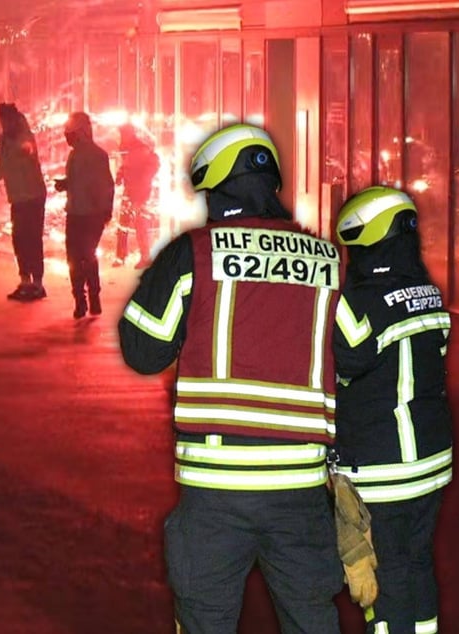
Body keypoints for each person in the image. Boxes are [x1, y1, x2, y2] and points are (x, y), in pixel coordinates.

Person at [118, 123, 345, 633]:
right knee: (312, 620)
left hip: (215, 490)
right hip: (300, 486)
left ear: (220, 187)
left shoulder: (195, 254)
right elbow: (356, 358)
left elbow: (143, 351)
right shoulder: (330, 259)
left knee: (206, 620)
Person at [333, 186, 453, 634]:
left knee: (385, 577)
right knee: (418, 563)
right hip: (433, 464)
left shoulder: (357, 303)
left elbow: (343, 365)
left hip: (385, 471)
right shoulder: (431, 296)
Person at [0, 103, 47, 301]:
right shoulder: (5, 140)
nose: (3, 123)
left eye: (5, 120)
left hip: (33, 195)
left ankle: (37, 283)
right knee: (19, 239)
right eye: (2, 120)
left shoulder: (24, 136)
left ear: (13, 119)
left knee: (32, 239)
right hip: (18, 197)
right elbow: (2, 168)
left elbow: (28, 150)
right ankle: (25, 281)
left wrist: (24, 150)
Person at [54, 112, 114, 318]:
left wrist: (104, 208)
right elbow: (104, 184)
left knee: (76, 257)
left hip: (84, 214)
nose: (67, 138)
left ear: (80, 133)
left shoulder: (89, 155)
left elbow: (102, 184)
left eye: (69, 134)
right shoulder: (91, 154)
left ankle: (82, 300)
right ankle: (91, 298)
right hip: (86, 213)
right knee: (87, 256)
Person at [115, 124, 160, 268]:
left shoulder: (140, 149)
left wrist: (142, 187)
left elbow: (150, 167)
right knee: (123, 224)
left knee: (140, 224)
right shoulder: (128, 149)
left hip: (139, 192)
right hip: (131, 191)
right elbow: (126, 166)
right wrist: (120, 175)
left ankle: (144, 256)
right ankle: (121, 256)